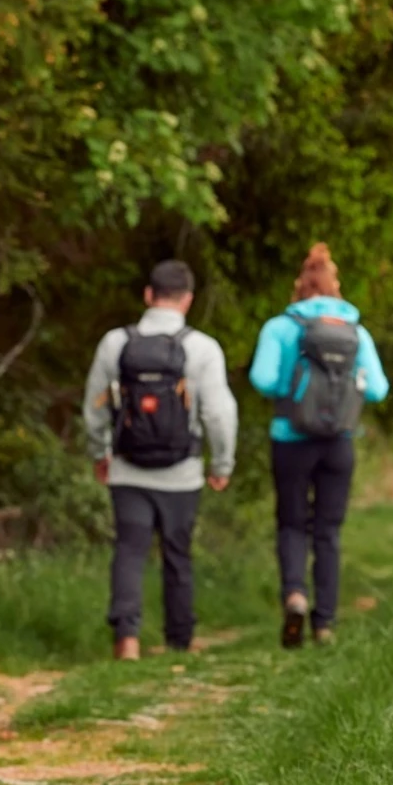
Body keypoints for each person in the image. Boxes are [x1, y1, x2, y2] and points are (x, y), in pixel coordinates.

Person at [82, 259, 237, 661]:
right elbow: (219, 414)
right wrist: (221, 464)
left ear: (148, 295)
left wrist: (100, 453)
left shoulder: (115, 343)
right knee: (177, 553)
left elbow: (95, 406)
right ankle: (179, 641)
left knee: (129, 550)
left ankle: (127, 640)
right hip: (182, 473)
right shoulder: (202, 348)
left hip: (128, 469)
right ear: (187, 300)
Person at [249, 243, 389, 649]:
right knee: (328, 531)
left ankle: (295, 595)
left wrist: (290, 390)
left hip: (290, 438)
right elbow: (378, 389)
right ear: (334, 287)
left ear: (300, 287)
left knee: (292, 523)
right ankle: (324, 622)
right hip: (339, 441)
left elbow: (262, 378)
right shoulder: (356, 332)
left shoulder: (281, 327)